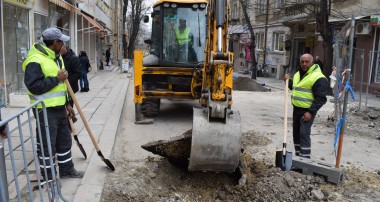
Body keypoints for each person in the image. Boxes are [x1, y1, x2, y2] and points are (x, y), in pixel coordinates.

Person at [22, 27, 84, 179]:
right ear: (55, 42)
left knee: (64, 141)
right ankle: (49, 177)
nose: (63, 44)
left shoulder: (55, 56)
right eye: (61, 41)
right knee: (47, 145)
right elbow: (34, 86)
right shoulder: (35, 60)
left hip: (59, 108)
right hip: (45, 110)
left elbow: (62, 86)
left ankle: (67, 170)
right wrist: (57, 79)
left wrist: (67, 103)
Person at [283, 53, 328, 158]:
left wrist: (310, 112)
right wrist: (287, 82)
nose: (304, 64)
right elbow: (296, 88)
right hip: (297, 109)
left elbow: (321, 98)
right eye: (302, 61)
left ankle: (305, 159)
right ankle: (298, 157)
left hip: (307, 111)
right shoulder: (299, 74)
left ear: (312, 62)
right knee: (297, 134)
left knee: (304, 134)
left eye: (307, 62)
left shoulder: (318, 77)